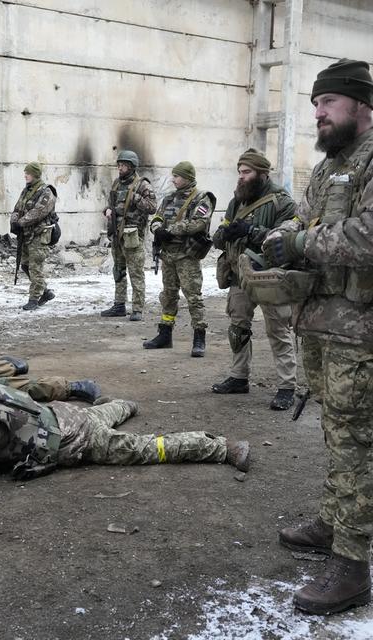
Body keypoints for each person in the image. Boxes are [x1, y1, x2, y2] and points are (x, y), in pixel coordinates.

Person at [263, 59, 373, 616]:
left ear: (360, 104)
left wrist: (303, 245)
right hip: (323, 328)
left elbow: (368, 236)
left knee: (357, 442)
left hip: (363, 334)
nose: (317, 112)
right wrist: (281, 236)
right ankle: (334, 523)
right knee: (336, 433)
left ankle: (354, 566)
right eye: (315, 103)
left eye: (328, 102)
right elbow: (299, 218)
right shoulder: (328, 167)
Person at [0, 371, 251, 483]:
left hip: (78, 441)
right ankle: (123, 403)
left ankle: (220, 448)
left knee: (149, 449)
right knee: (108, 410)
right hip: (63, 414)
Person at [210, 150, 297, 410]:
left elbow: (285, 239)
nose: (241, 177)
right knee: (238, 328)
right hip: (239, 276)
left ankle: (287, 386)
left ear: (262, 173)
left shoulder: (283, 203)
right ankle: (239, 377)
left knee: (278, 330)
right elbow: (219, 236)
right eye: (239, 172)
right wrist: (224, 233)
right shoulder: (237, 201)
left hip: (270, 277)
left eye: (246, 172)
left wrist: (251, 231)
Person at [144, 162, 215, 356]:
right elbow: (157, 218)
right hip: (168, 255)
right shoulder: (168, 199)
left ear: (187, 178)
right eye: (173, 176)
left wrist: (170, 230)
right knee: (168, 295)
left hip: (187, 255)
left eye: (177, 176)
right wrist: (157, 230)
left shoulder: (201, 198)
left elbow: (199, 223)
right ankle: (165, 334)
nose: (173, 179)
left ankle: (199, 337)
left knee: (193, 297)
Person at [101, 150, 157, 321]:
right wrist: (107, 211)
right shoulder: (117, 183)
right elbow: (112, 204)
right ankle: (119, 305)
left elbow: (152, 207)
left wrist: (135, 198)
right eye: (119, 164)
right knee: (118, 271)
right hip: (117, 234)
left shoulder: (142, 185)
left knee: (136, 272)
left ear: (132, 166)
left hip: (133, 235)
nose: (120, 167)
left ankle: (138, 308)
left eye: (124, 165)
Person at [10, 162, 58, 310]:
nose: (25, 175)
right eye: (25, 173)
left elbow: (39, 212)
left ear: (36, 175)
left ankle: (34, 299)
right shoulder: (27, 191)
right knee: (25, 265)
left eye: (28, 173)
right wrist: (14, 221)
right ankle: (45, 292)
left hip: (39, 235)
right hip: (27, 235)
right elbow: (18, 207)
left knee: (35, 267)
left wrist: (21, 222)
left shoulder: (46, 192)